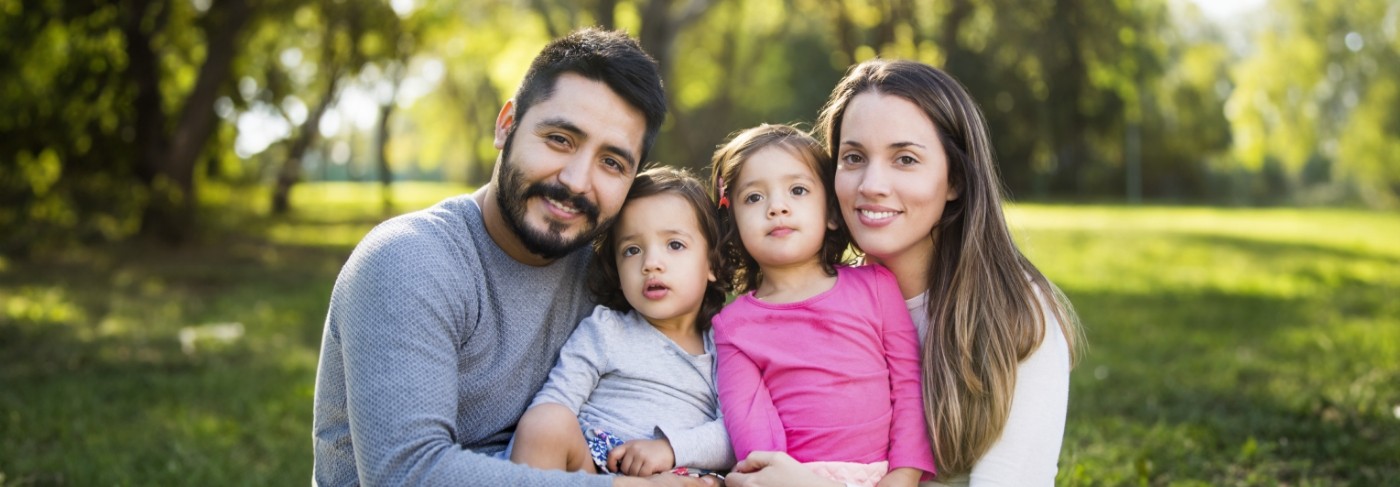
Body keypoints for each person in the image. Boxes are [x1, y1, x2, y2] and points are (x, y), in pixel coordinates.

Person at [310, 28, 713, 487]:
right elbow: (407, 474)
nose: (577, 181)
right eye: (560, 139)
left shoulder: (613, 275)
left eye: (612, 163)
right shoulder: (409, 261)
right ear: (507, 125)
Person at [725, 61, 1084, 487]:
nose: (872, 184)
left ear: (955, 180)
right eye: (854, 157)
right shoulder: (811, 307)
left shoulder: (1019, 317)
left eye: (905, 159)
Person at [708, 124, 936, 487]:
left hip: (888, 476)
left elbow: (910, 386)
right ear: (732, 222)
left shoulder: (876, 287)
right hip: (791, 478)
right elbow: (751, 423)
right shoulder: (734, 326)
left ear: (831, 213)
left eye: (797, 190)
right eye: (753, 198)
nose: (777, 207)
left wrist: (905, 475)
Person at [509, 167, 734, 479]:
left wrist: (669, 449)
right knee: (544, 423)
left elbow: (735, 433)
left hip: (676, 474)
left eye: (674, 245)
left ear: (711, 262)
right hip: (595, 465)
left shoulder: (727, 346)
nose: (650, 263)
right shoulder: (607, 329)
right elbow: (557, 400)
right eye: (632, 250)